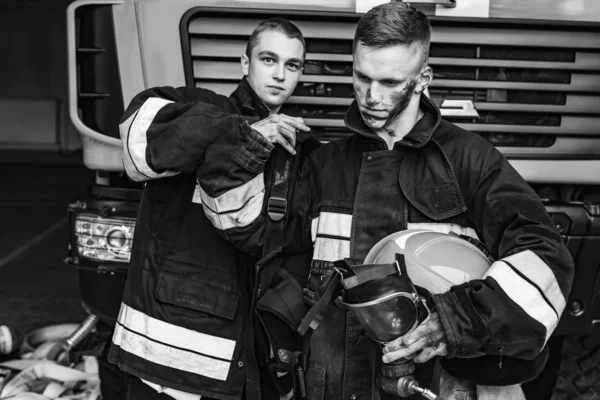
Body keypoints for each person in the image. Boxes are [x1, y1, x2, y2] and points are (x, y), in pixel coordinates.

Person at [195, 3, 574, 399]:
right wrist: (246, 149)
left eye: (391, 82)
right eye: (362, 77)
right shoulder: (324, 165)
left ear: (423, 78)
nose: (371, 97)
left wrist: (459, 318)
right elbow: (249, 231)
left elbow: (546, 257)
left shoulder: (471, 161)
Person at [107, 18, 312, 400]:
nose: (280, 75)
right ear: (244, 63)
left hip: (242, 366)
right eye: (268, 59)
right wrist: (242, 134)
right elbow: (136, 137)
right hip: (164, 364)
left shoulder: (295, 149)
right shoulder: (199, 107)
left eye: (292, 65)